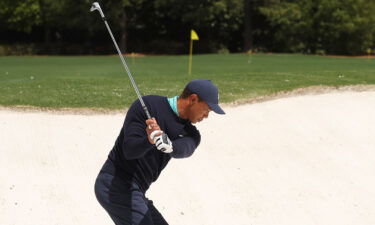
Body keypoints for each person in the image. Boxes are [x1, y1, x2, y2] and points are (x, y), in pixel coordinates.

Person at [94, 79, 225, 225]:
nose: (206, 116)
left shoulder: (192, 134)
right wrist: (149, 140)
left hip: (137, 191)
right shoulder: (148, 106)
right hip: (115, 184)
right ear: (193, 99)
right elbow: (129, 150)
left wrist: (170, 146)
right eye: (207, 109)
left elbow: (184, 149)